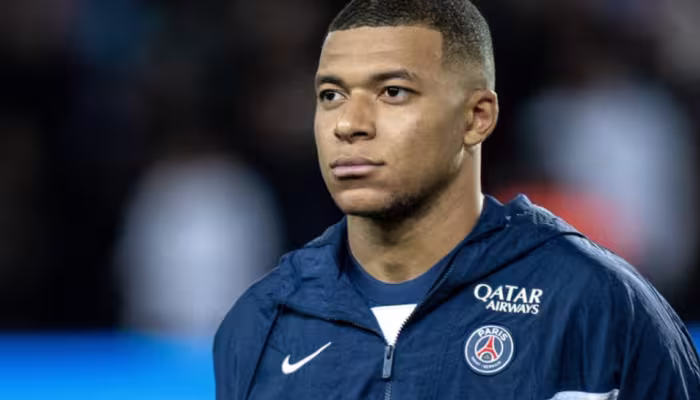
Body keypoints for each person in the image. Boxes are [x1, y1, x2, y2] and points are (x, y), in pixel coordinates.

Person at [214, 0, 700, 399]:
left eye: (393, 91)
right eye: (331, 96)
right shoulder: (262, 321)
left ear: (476, 118)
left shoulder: (595, 303)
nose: (349, 124)